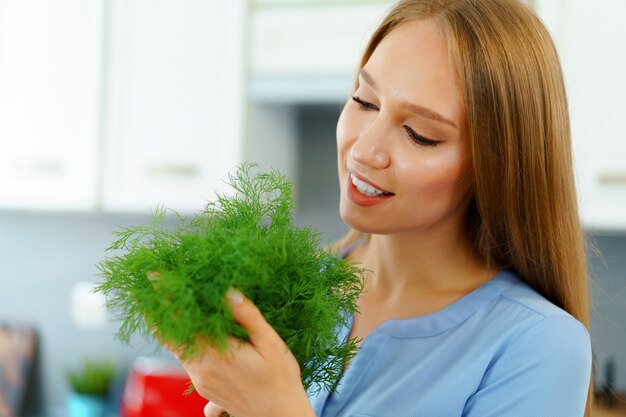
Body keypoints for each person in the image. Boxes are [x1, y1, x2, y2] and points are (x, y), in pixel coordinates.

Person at [170, 0, 593, 416]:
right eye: (364, 102)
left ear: (497, 164)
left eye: (419, 134)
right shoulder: (293, 288)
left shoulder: (539, 345)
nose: (365, 149)